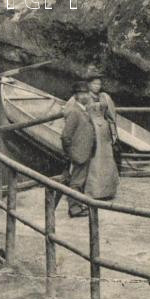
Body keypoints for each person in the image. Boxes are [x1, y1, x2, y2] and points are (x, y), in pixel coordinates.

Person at [61, 81, 95, 217]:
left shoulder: (83, 110)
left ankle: (78, 205)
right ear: (76, 96)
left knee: (80, 181)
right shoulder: (74, 112)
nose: (85, 96)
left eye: (87, 93)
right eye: (82, 94)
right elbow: (65, 136)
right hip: (78, 154)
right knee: (76, 181)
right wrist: (71, 154)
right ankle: (74, 209)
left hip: (85, 152)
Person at [85, 74, 120, 200]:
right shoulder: (84, 97)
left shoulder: (105, 96)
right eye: (94, 84)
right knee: (93, 158)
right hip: (90, 130)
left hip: (104, 132)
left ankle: (107, 191)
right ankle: (93, 191)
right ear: (89, 84)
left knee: (106, 158)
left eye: (99, 84)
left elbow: (111, 116)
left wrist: (114, 133)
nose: (97, 86)